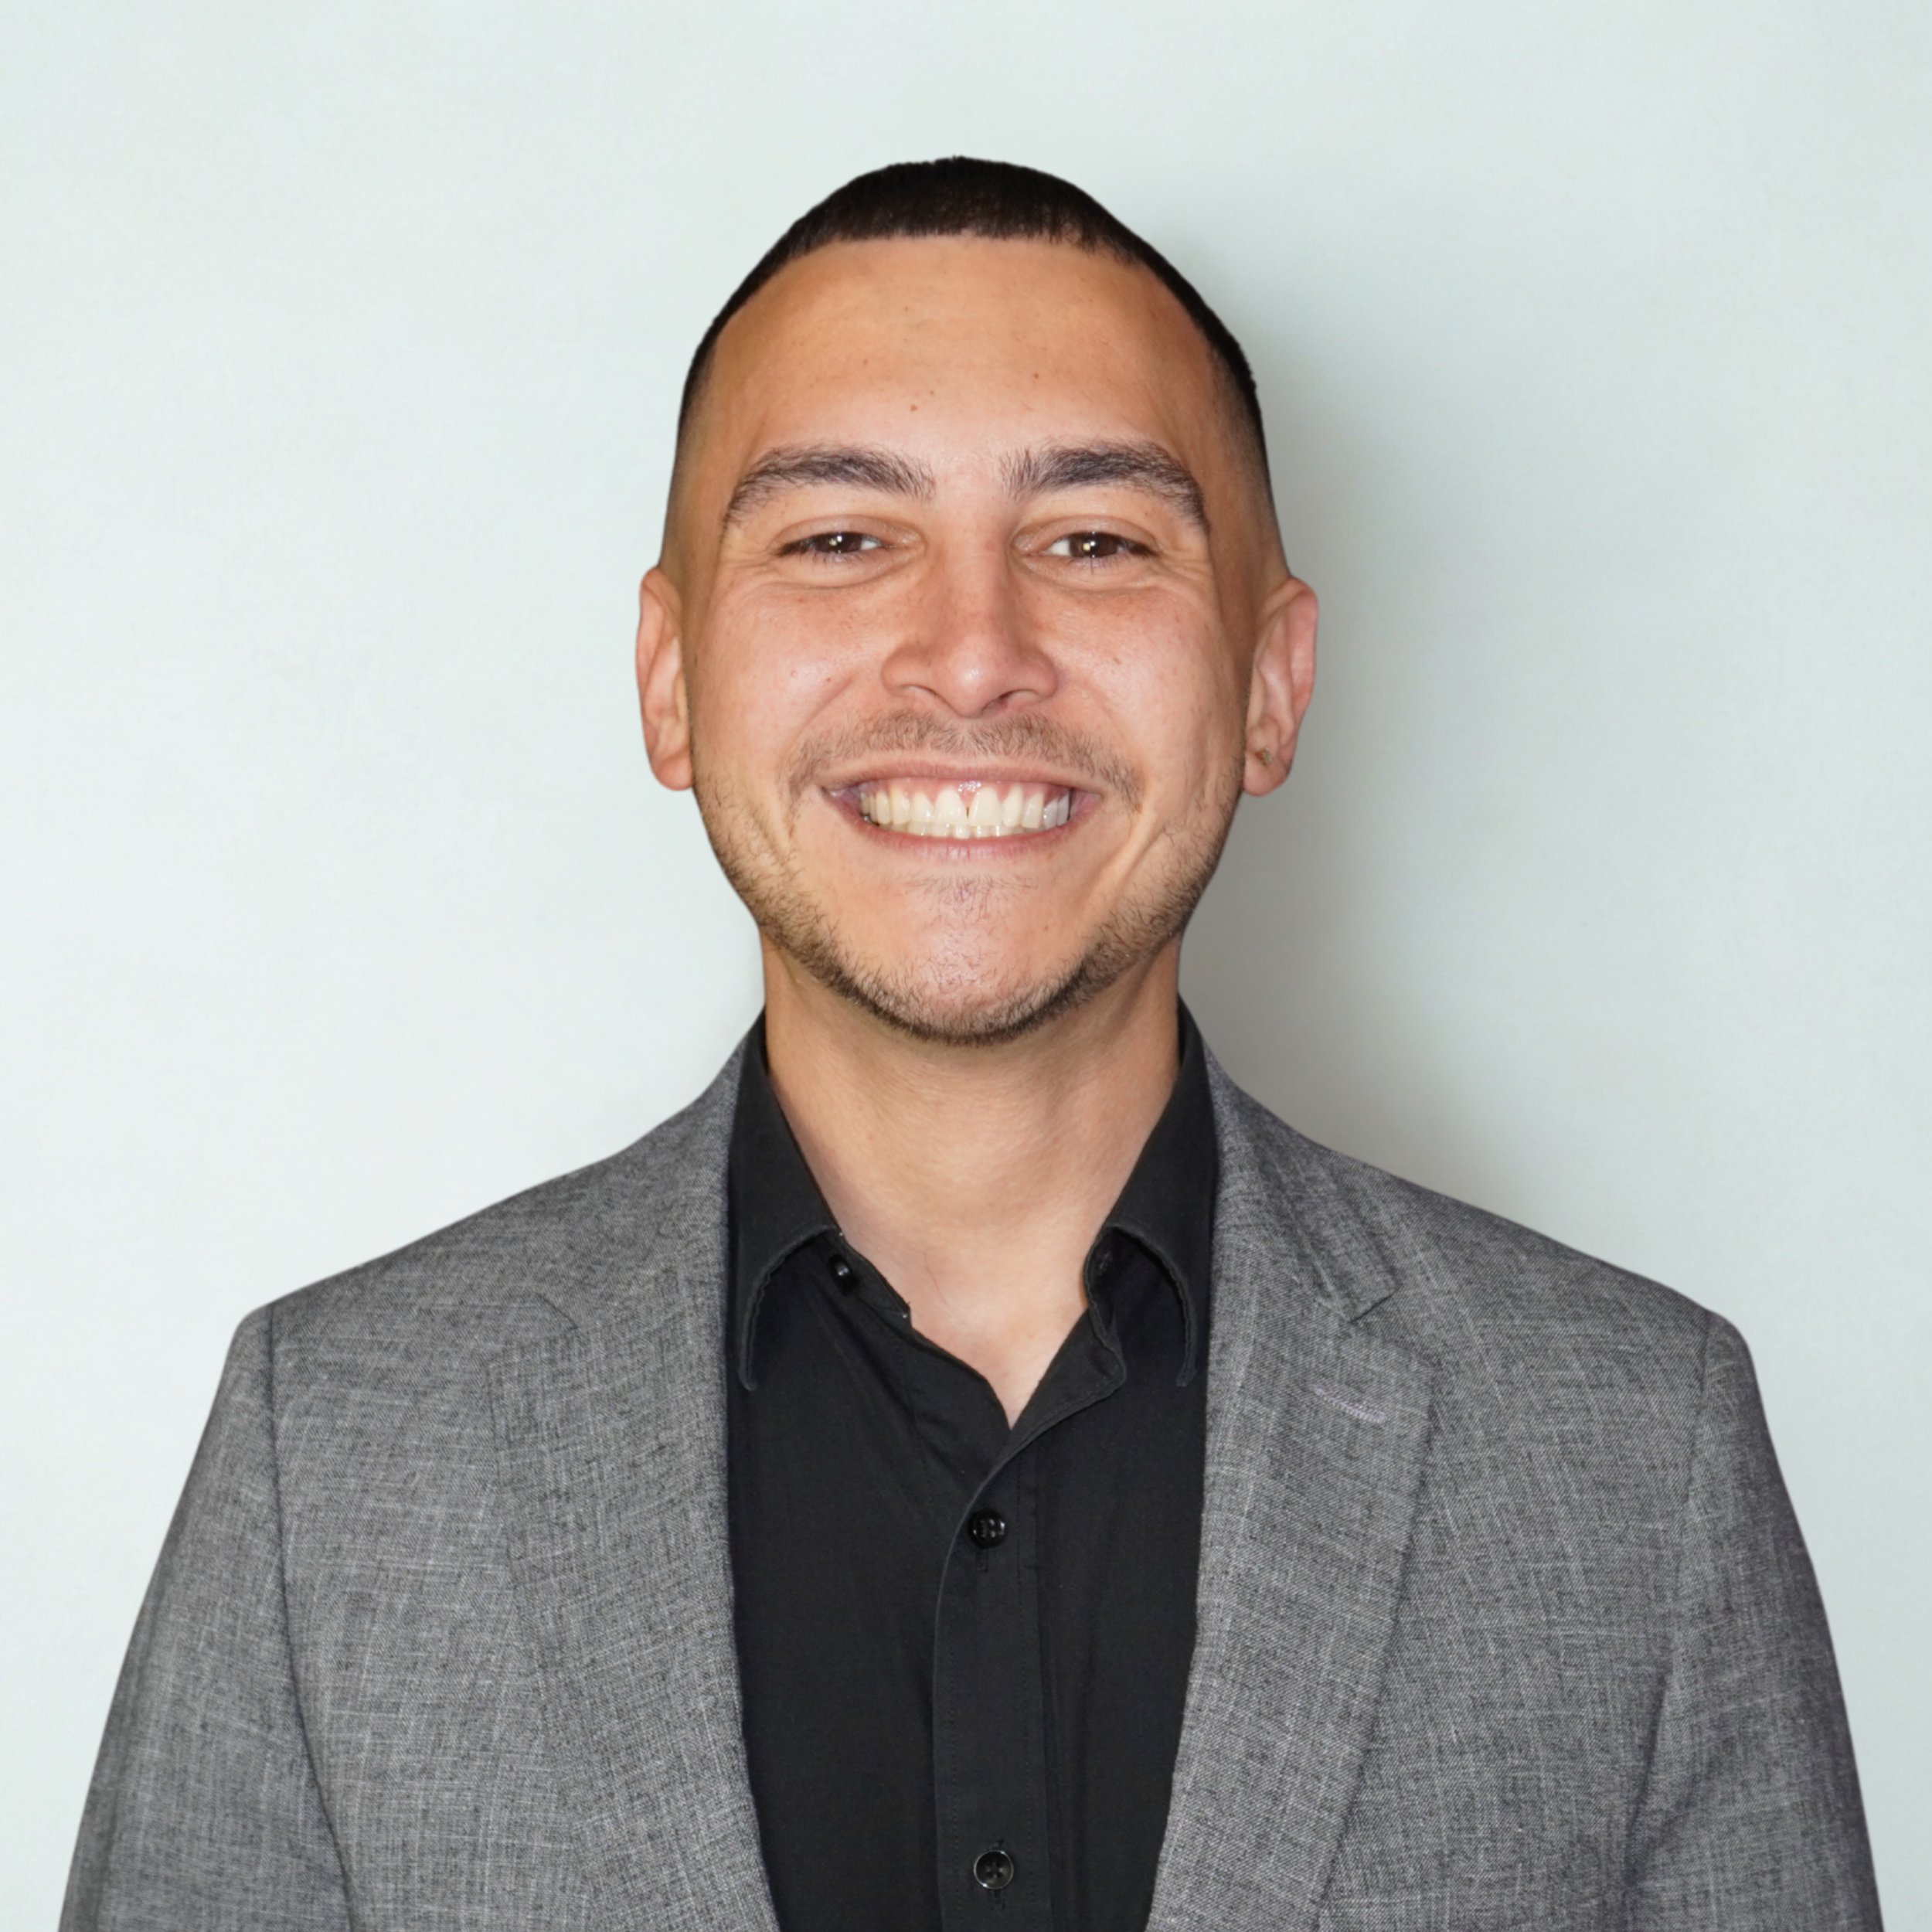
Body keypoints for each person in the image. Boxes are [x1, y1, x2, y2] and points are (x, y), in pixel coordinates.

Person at [63, 158, 1880, 1932]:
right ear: (669, 678)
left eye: (1091, 539)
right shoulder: (340, 1450)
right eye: (842, 537)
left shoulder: (1635, 1448)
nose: (968, 653)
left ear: (1267, 684)